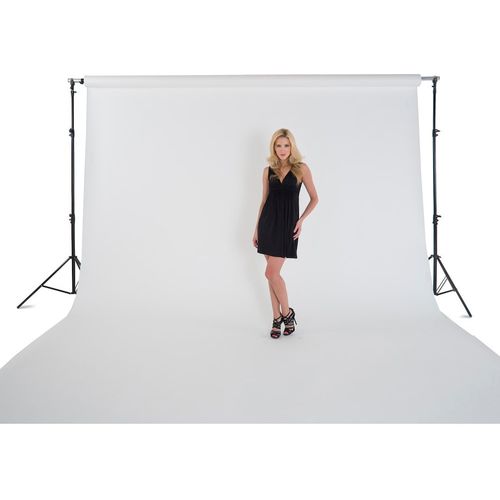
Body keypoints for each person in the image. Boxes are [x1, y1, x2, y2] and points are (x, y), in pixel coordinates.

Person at [252, 128, 319, 339]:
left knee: (271, 273)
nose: (282, 149)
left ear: (292, 147)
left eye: (286, 145)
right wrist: (256, 229)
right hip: (268, 225)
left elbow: (315, 198)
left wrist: (301, 220)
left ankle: (287, 313)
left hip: (287, 226)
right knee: (271, 275)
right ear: (274, 147)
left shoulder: (301, 169)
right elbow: (264, 201)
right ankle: (276, 319)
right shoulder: (267, 171)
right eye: (278, 145)